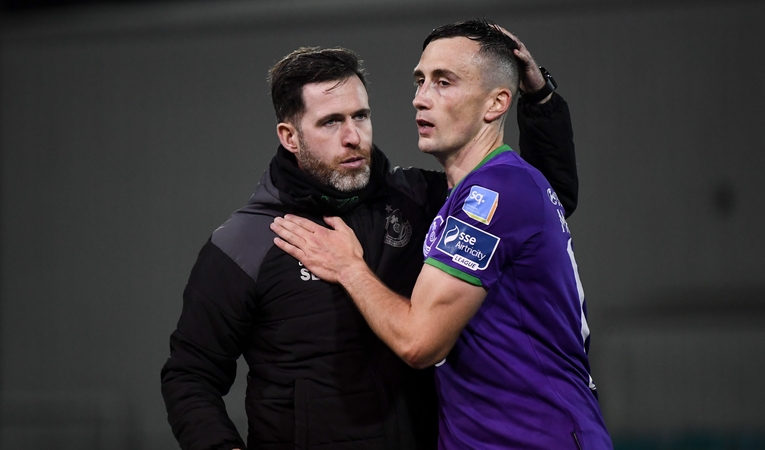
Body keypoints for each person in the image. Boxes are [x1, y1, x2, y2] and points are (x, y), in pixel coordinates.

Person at [161, 33, 578, 450]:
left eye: (360, 116)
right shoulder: (246, 243)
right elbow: (190, 375)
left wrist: (539, 99)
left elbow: (539, 195)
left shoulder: (419, 200)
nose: (352, 136)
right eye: (330, 122)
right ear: (290, 137)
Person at [271, 19, 612, 450]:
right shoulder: (481, 191)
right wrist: (541, 97)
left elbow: (420, 342)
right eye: (420, 81)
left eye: (443, 82)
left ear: (496, 103)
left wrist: (348, 266)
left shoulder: (493, 194)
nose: (420, 99)